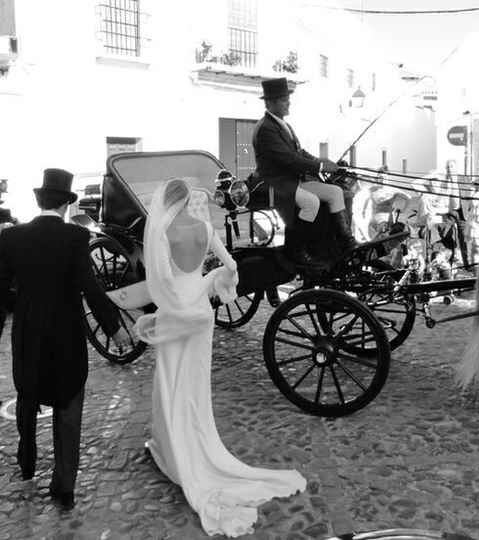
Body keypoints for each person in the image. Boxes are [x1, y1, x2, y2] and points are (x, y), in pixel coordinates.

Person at [134, 178, 305, 537]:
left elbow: (162, 277)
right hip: (201, 312)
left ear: (166, 203)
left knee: (169, 378)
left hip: (176, 312)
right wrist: (215, 282)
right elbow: (231, 267)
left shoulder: (164, 233)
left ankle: (171, 448)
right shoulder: (204, 228)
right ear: (188, 200)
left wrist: (170, 304)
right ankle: (197, 438)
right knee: (195, 381)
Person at [0, 168, 131, 511]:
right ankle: (64, 486)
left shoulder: (11, 238)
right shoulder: (76, 238)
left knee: (27, 398)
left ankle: (27, 463)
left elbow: (2, 293)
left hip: (28, 334)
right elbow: (91, 288)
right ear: (65, 205)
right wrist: (114, 329)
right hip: (66, 335)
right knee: (69, 407)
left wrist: (23, 307)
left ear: (40, 201)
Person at [252, 77, 357, 266]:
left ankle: (346, 242)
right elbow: (288, 159)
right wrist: (321, 167)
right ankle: (295, 249)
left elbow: (299, 152)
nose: (288, 103)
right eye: (284, 99)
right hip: (277, 183)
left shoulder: (283, 125)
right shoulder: (266, 129)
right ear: (271, 102)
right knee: (311, 202)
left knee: (335, 192)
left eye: (287, 99)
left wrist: (320, 161)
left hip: (293, 180)